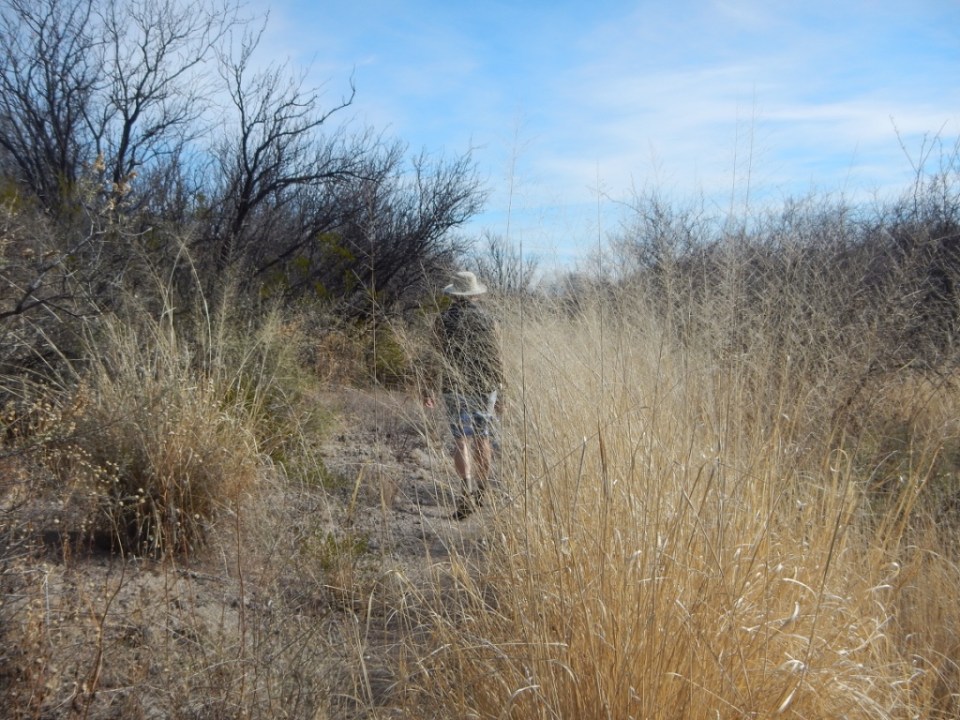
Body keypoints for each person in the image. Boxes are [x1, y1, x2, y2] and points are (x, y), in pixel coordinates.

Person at [423, 270, 504, 519]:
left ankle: (466, 490)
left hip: (454, 388)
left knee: (461, 440)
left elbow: (434, 358)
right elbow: (497, 359)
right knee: (483, 438)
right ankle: (481, 489)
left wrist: (427, 387)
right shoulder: (491, 321)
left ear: (454, 295)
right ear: (475, 294)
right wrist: (502, 394)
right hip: (485, 386)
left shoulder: (442, 320)